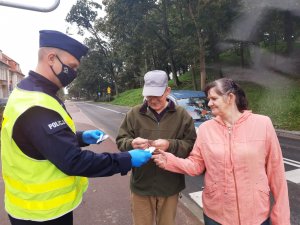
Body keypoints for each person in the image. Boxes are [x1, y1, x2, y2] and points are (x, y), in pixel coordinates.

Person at [0, 30, 152, 225]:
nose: (73, 73)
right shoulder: (36, 105)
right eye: (71, 66)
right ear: (51, 58)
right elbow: (73, 161)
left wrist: (81, 137)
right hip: (41, 213)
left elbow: (42, 140)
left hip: (33, 207)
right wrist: (126, 159)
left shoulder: (28, 92)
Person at [152, 77, 290, 225]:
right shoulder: (206, 129)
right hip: (216, 215)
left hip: (256, 214)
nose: (209, 103)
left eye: (213, 98)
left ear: (230, 97)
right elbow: (196, 165)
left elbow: (277, 174)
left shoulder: (263, 124)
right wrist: (169, 160)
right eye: (208, 99)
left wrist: (281, 217)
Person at [116, 70, 197, 225]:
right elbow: (121, 141)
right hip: (141, 184)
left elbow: (191, 145)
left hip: (170, 184)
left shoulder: (182, 115)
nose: (152, 100)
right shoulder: (134, 113)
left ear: (167, 91)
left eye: (157, 95)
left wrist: (170, 144)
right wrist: (131, 144)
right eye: (149, 96)